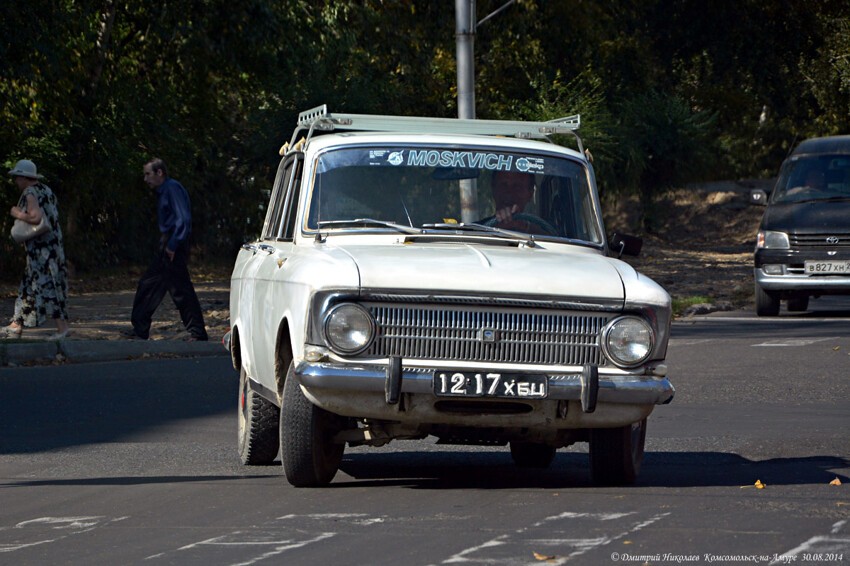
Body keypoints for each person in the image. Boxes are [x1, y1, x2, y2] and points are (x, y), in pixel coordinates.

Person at [122, 158, 208, 341]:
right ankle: (141, 328)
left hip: (173, 244)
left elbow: (183, 219)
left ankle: (196, 332)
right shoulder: (165, 190)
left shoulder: (172, 188)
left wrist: (172, 245)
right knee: (157, 286)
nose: (145, 179)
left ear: (159, 172)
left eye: (148, 174)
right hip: (169, 243)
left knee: (173, 288)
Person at [2, 159, 71, 340]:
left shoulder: (30, 192)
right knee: (28, 286)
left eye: (17, 177)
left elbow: (35, 217)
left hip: (42, 252)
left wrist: (17, 214)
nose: (16, 181)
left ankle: (62, 328)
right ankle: (16, 324)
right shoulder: (46, 190)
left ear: (25, 178)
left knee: (50, 287)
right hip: (53, 247)